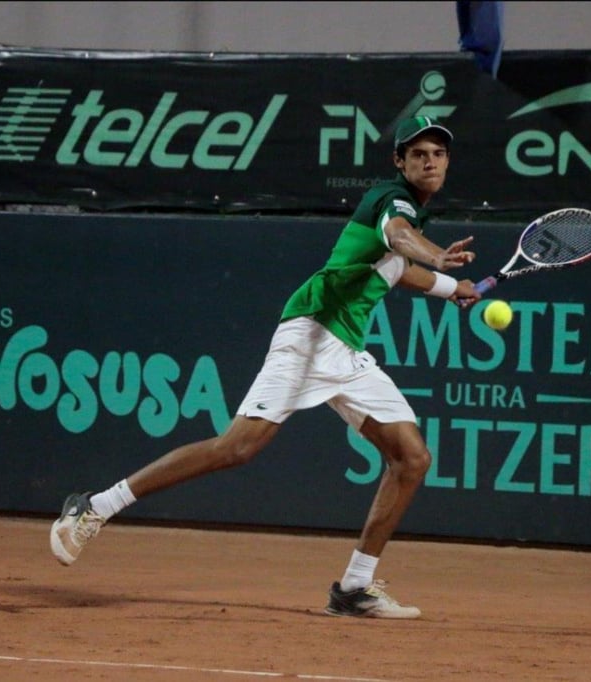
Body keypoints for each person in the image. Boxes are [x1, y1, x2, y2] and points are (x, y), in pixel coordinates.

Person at [50, 115, 481, 619]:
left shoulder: (412, 213)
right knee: (237, 447)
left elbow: (393, 266)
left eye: (438, 154)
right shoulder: (391, 201)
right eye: (418, 154)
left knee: (411, 458)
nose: (429, 162)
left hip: (345, 350)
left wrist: (451, 289)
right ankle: (95, 507)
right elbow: (400, 237)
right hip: (311, 334)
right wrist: (437, 259)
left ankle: (354, 588)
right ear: (399, 162)